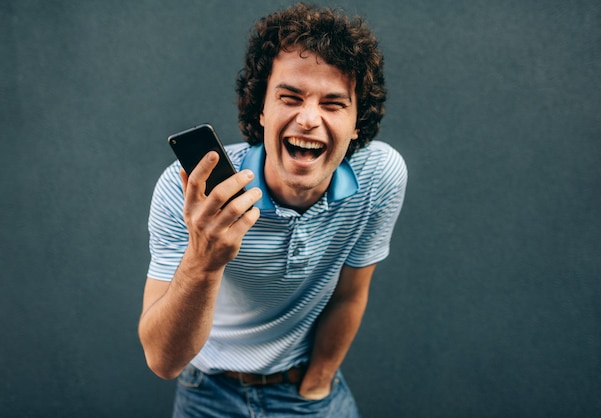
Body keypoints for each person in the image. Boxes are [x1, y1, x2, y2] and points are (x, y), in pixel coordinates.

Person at [139, 3, 407, 417]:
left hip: (306, 391)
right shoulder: (191, 193)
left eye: (333, 104)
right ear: (262, 109)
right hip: (206, 393)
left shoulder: (379, 177)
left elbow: (350, 295)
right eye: (290, 97)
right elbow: (162, 361)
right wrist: (204, 261)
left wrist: (318, 382)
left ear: (357, 123)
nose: (308, 119)